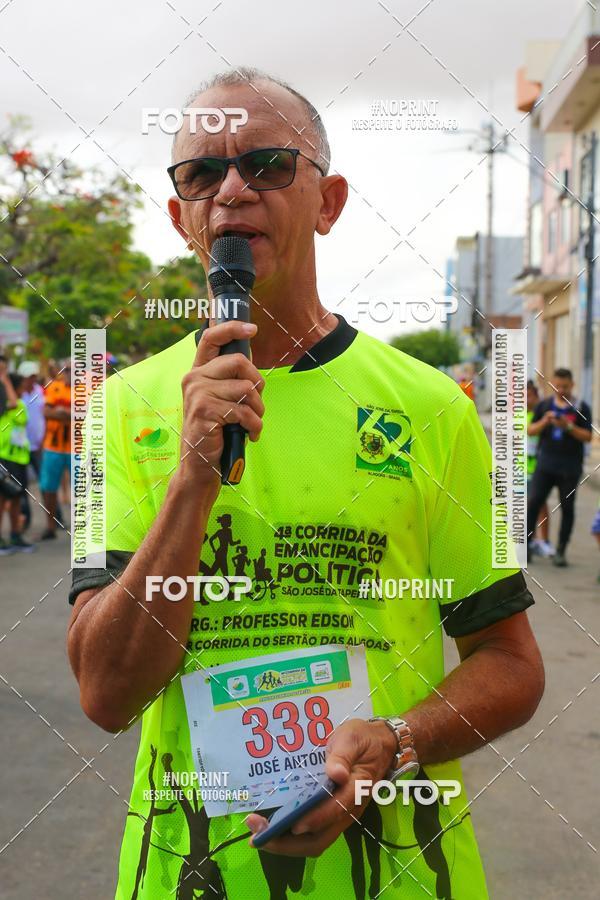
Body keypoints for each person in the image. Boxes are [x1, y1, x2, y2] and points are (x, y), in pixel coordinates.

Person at [67, 68, 544, 900]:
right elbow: (106, 692)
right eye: (202, 174)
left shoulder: (439, 408)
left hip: (397, 875)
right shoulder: (113, 410)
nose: (233, 192)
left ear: (329, 202)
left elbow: (510, 663)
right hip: (192, 874)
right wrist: (191, 480)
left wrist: (396, 741)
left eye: (270, 164)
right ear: (181, 215)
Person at [527, 368, 593, 567]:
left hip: (570, 468)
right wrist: (545, 421)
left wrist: (569, 427)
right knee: (534, 502)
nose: (561, 389)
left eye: (565, 386)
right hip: (545, 464)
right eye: (557, 385)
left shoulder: (581, 407)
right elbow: (530, 430)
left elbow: (588, 437)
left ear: (572, 385)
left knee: (567, 508)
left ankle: (561, 550)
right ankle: (527, 545)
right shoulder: (544, 405)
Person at [0, 372, 35, 553]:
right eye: (20, 386)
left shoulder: (19, 403)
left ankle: (15, 534)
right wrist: (5, 380)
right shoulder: (6, 404)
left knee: (16, 497)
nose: (24, 389)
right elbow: (13, 403)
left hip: (20, 458)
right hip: (6, 457)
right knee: (3, 498)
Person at [39, 362, 71, 539]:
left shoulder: (86, 390)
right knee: (48, 488)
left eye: (73, 370)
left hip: (77, 449)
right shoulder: (54, 387)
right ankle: (50, 526)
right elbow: (45, 411)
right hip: (53, 446)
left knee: (83, 490)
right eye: (66, 370)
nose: (68, 373)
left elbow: (88, 413)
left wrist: (61, 412)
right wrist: (70, 414)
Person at [526, 380, 554, 557]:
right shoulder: (518, 414)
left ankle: (544, 541)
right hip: (521, 468)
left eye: (528, 396)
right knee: (526, 505)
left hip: (538, 466)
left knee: (540, 503)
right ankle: (532, 539)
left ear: (535, 396)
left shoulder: (542, 414)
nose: (524, 400)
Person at [17, 360, 46, 532]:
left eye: (34, 376)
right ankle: (24, 519)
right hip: (22, 446)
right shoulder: (17, 395)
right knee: (22, 485)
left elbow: (43, 416)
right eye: (30, 376)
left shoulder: (39, 391)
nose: (33, 379)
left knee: (46, 483)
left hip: (38, 445)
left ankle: (55, 516)